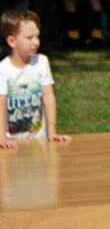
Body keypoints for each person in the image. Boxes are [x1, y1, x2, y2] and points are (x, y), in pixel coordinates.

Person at [1, 9, 72, 149]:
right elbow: (1, 102)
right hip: (12, 142)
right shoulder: (3, 69)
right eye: (29, 38)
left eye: (37, 36)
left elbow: (48, 96)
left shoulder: (41, 62)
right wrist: (1, 136)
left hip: (39, 141)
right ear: (12, 41)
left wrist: (52, 130)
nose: (36, 42)